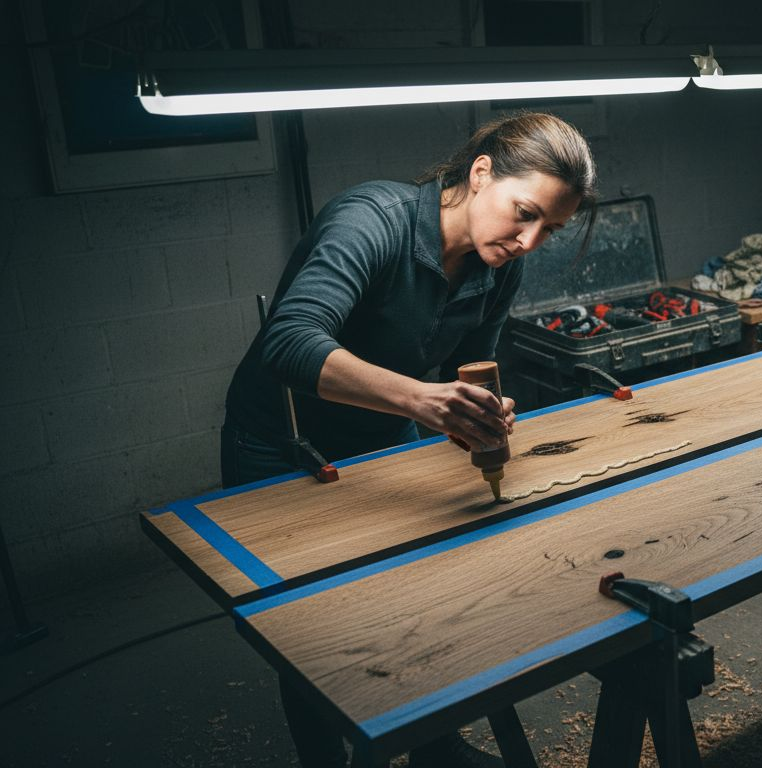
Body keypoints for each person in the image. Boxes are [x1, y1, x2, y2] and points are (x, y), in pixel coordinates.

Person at [219, 112, 597, 767]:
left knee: (413, 596)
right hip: (281, 444)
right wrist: (425, 401)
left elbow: (469, 370)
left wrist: (479, 414)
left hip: (379, 432)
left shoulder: (497, 262)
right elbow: (288, 343)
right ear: (480, 174)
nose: (531, 241)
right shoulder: (371, 220)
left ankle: (434, 742)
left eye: (551, 229)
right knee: (310, 629)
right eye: (526, 213)